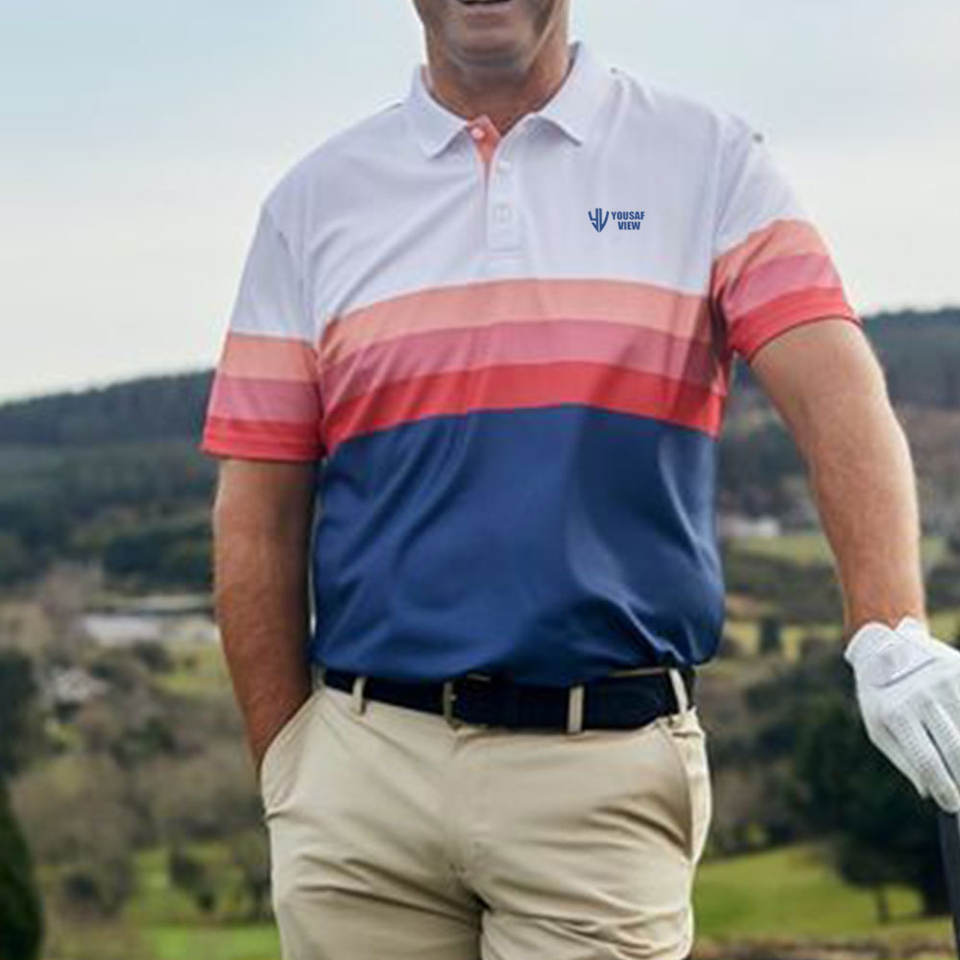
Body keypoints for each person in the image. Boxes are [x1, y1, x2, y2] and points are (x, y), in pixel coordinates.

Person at [199, 1, 960, 957]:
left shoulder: (709, 159)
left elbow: (837, 396)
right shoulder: (313, 201)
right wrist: (290, 771)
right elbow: (258, 512)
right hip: (361, 784)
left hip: (601, 775)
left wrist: (889, 629)